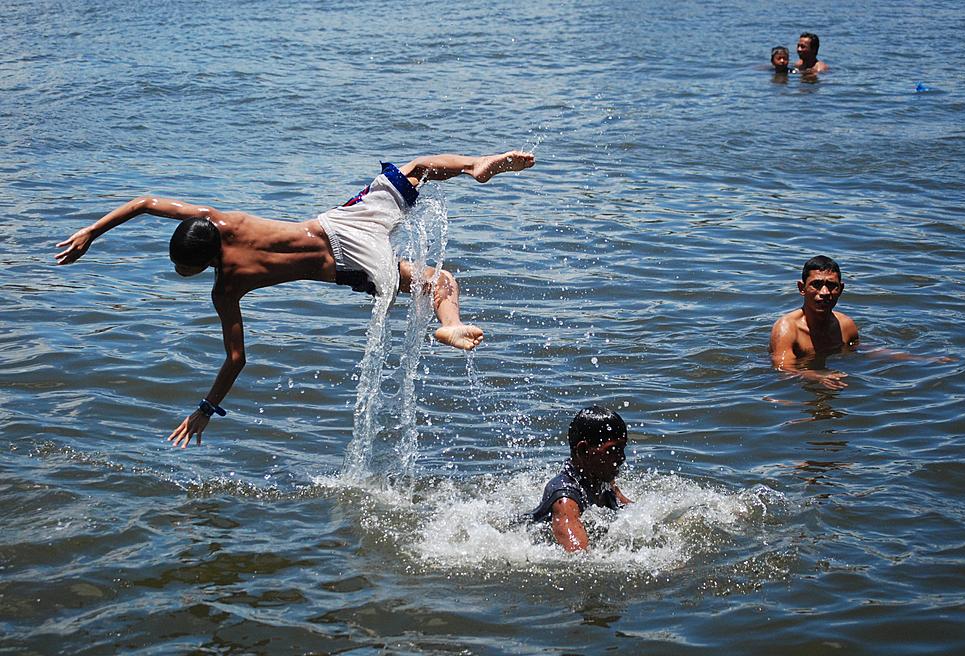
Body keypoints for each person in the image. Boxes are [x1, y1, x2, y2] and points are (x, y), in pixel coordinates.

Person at [56, 150, 535, 448]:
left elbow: (236, 359)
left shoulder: (227, 287)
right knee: (415, 171)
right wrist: (92, 232)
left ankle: (448, 324)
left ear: (201, 263)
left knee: (431, 279)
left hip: (344, 265)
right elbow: (144, 202)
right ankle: (474, 167)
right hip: (337, 224)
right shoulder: (221, 219)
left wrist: (205, 409)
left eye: (183, 266)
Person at [528, 406, 632, 552]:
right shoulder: (565, 501)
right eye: (612, 450)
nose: (622, 458)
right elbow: (578, 555)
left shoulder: (603, 479)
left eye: (622, 449)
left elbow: (631, 510)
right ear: (583, 451)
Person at [769, 255, 858, 389]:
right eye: (816, 285)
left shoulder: (846, 325)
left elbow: (858, 350)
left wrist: (896, 357)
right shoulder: (787, 328)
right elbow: (782, 369)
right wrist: (817, 376)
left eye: (832, 285)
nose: (824, 292)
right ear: (801, 288)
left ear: (841, 289)